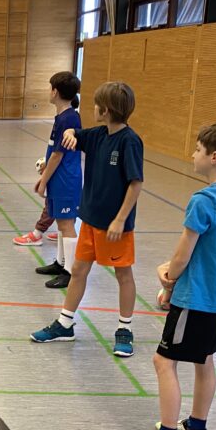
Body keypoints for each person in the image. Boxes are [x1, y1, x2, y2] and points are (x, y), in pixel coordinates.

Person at [118, 123, 216, 430]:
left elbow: (183, 254)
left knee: (163, 361)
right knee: (204, 358)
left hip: (195, 298)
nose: (193, 155)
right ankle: (196, 428)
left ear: (214, 157)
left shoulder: (203, 200)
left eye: (197, 149)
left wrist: (169, 278)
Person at [30, 82, 143, 358]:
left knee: (123, 275)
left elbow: (135, 183)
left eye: (96, 104)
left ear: (106, 110)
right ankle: (65, 324)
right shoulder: (97, 135)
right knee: (78, 271)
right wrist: (69, 132)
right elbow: (74, 133)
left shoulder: (129, 141)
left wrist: (120, 219)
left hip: (115, 227)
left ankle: (124, 329)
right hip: (90, 220)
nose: (92, 108)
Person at [32, 72, 83, 290]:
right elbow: (53, 151)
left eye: (50, 88)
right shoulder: (61, 117)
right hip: (58, 177)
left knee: (66, 223)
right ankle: (61, 263)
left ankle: (70, 272)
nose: (49, 91)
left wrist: (43, 181)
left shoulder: (69, 118)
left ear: (55, 92)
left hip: (66, 179)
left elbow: (58, 155)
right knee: (61, 223)